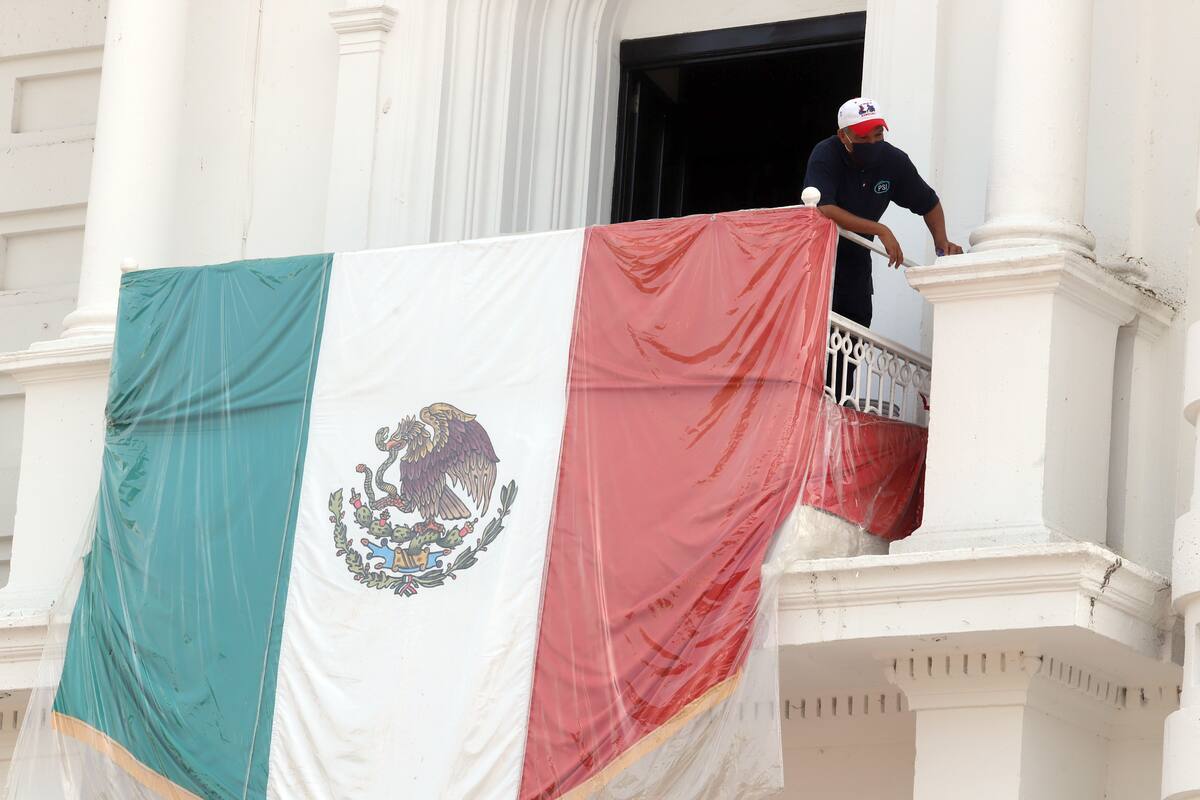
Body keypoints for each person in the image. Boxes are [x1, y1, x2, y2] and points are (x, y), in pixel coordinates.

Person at [803, 97, 962, 329]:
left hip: (856, 265)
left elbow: (928, 203)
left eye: (877, 135)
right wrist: (880, 230)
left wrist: (942, 244)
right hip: (818, 260)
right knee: (813, 334)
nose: (872, 142)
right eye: (862, 137)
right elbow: (824, 207)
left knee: (854, 335)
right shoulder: (826, 154)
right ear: (843, 136)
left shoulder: (893, 160)